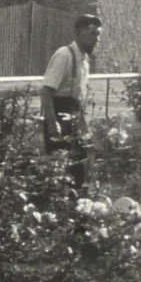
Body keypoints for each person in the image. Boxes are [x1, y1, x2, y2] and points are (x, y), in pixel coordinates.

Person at [40, 14, 102, 189]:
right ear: (80, 33)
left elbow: (78, 98)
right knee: (59, 168)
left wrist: (84, 126)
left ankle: (76, 207)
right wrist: (53, 124)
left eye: (99, 35)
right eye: (93, 34)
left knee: (79, 165)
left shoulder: (84, 61)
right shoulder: (64, 55)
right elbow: (46, 92)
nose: (97, 40)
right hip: (59, 114)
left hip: (75, 114)